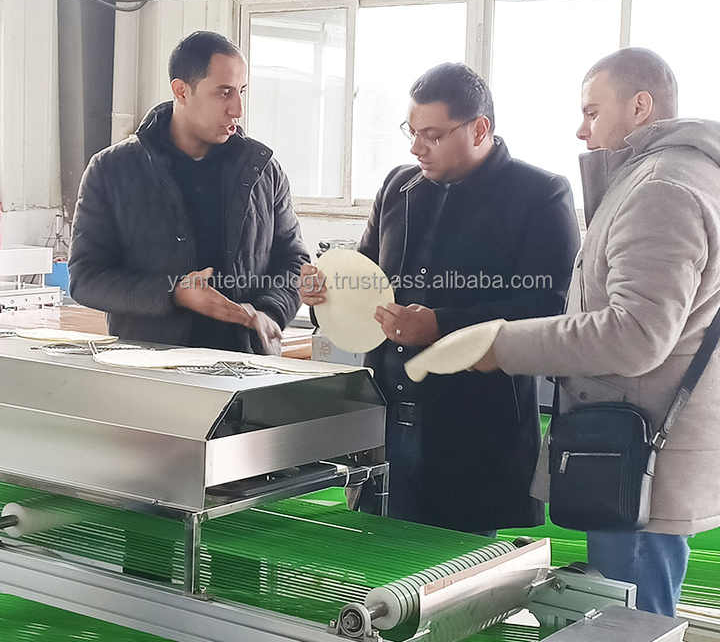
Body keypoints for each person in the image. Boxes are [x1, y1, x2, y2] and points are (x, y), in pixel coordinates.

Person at [460, 47, 720, 616]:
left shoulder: (661, 189)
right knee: (638, 607)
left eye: (592, 111)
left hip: (634, 455)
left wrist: (502, 344)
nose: (582, 130)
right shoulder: (680, 176)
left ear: (641, 106)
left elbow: (635, 333)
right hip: (640, 444)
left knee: (633, 617)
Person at [301, 62, 580, 534]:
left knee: (459, 566)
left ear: (480, 129)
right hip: (387, 416)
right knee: (375, 558)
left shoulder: (539, 195)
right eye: (411, 132)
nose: (416, 148)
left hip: (473, 428)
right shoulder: (399, 187)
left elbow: (547, 309)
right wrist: (324, 293)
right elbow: (366, 284)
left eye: (432, 135)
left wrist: (440, 326)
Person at [69, 31, 309, 354]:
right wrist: (174, 292)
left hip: (247, 367)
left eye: (241, 91)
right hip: (151, 369)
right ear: (181, 91)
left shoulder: (263, 169)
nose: (237, 109)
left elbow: (293, 261)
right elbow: (86, 278)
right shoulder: (111, 170)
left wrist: (270, 312)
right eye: (224, 92)